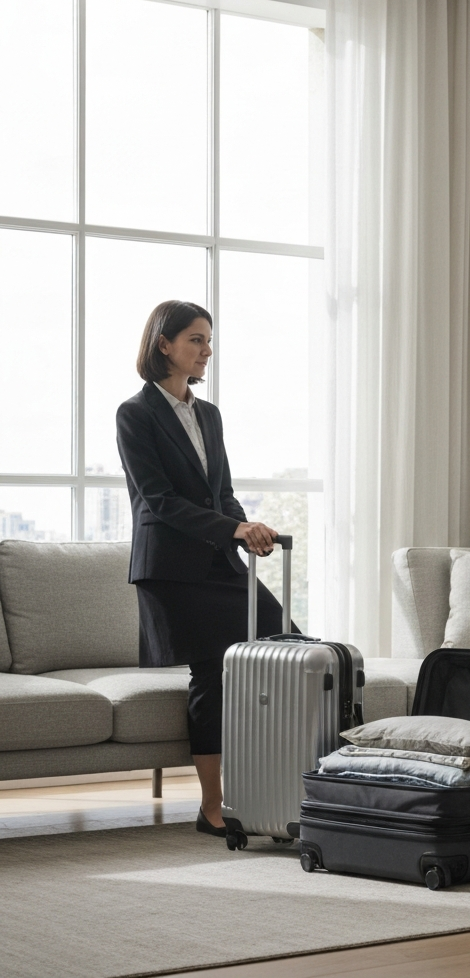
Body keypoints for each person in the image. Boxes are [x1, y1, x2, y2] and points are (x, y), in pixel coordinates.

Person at [116, 300, 292, 839]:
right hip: (171, 568)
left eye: (209, 340)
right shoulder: (135, 414)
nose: (207, 350)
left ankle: (277, 788)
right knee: (212, 672)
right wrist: (232, 529)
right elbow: (160, 500)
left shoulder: (208, 414)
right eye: (196, 339)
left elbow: (223, 493)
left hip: (219, 561)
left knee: (286, 645)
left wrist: (248, 530)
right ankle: (213, 805)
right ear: (164, 344)